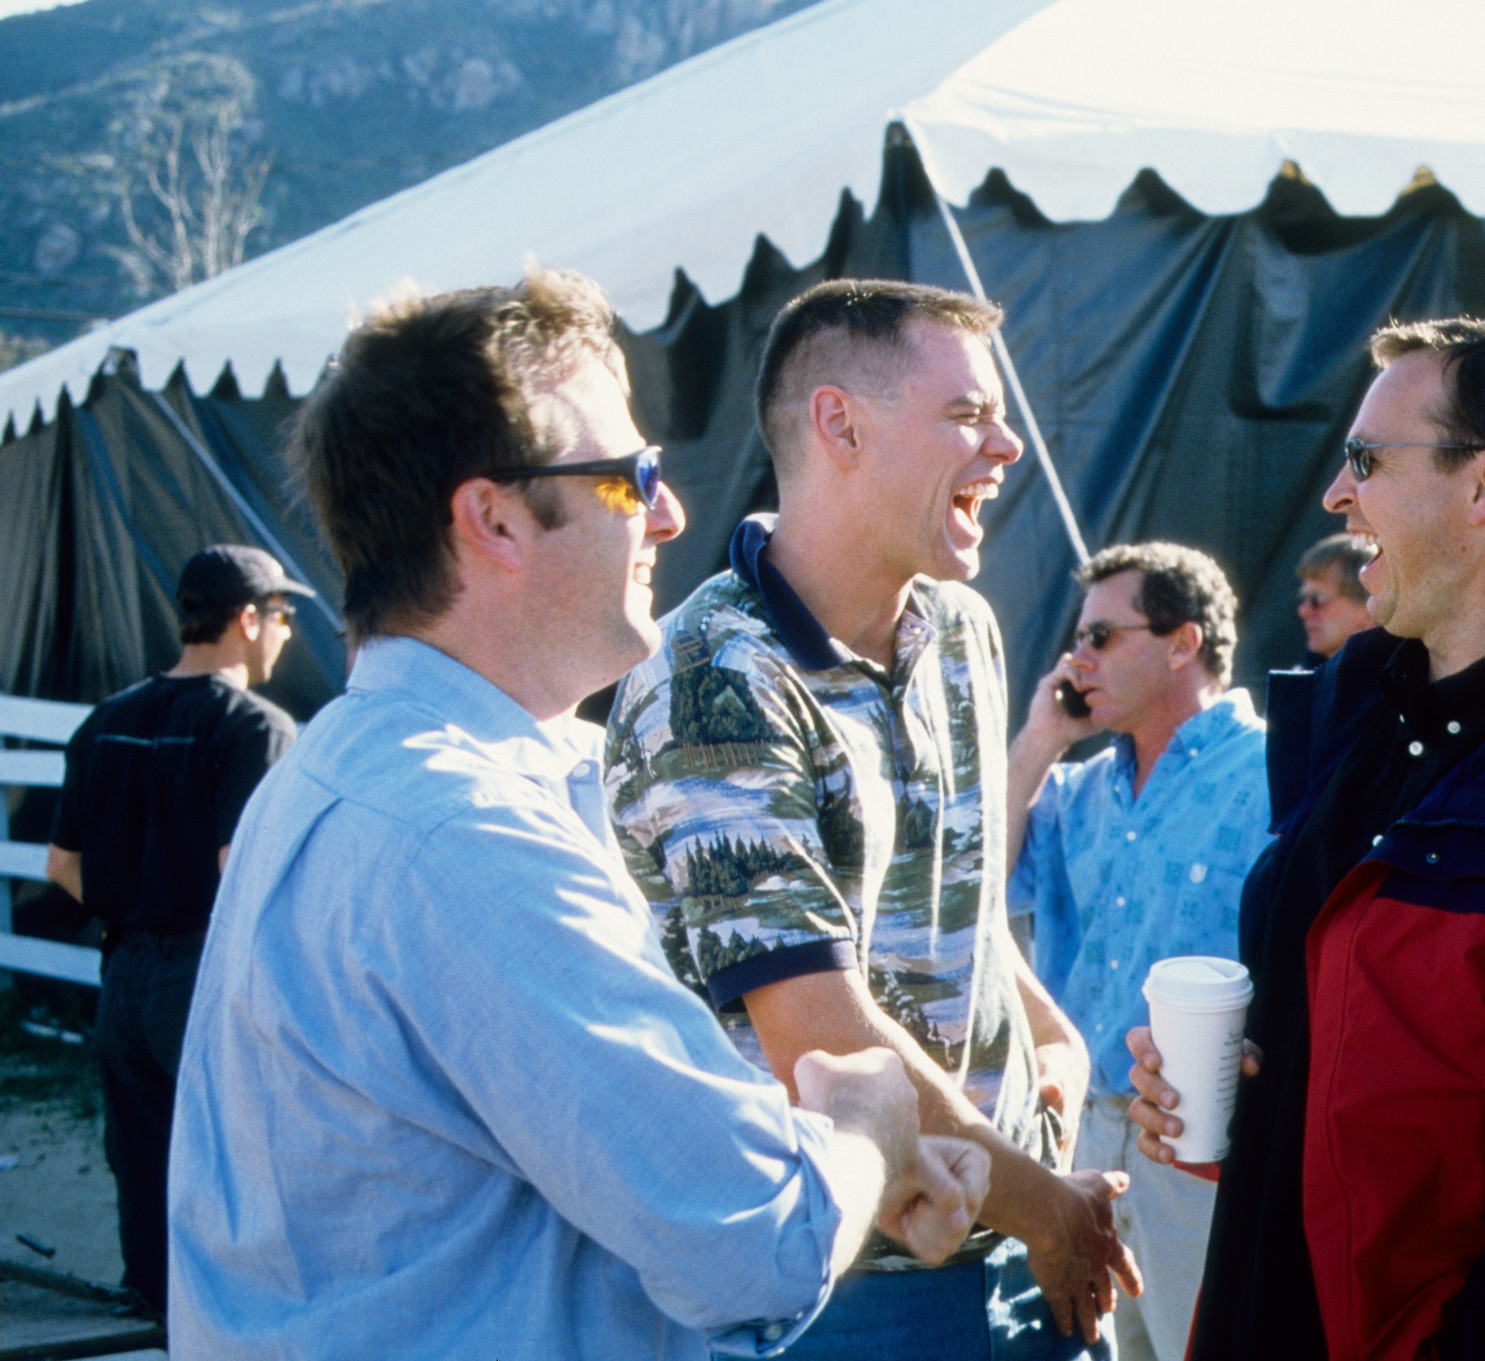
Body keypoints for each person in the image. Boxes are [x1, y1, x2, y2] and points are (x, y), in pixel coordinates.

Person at [166, 267, 988, 1360]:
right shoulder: (458, 834)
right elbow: (759, 1241)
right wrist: (866, 1130)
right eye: (630, 474)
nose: (668, 512)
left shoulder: (362, 775)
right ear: (494, 517)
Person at [608, 278, 1138, 1361]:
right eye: (965, 414)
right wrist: (1049, 1208)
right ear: (838, 424)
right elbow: (816, 1030)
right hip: (841, 1291)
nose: (1005, 445)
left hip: (1016, 1245)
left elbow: (957, 904)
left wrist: (1051, 1036)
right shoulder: (713, 672)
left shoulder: (960, 626)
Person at [1129, 317, 1485, 1361]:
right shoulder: (1350, 706)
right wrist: (1236, 1085)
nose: (1336, 493)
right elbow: (1352, 1055)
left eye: (1368, 459)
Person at [1005, 541, 1269, 1361]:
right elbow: (975, 882)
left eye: (1102, 637)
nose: (1076, 657)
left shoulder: (1271, 771)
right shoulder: (1080, 788)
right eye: (1078, 637)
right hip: (1077, 1138)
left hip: (1197, 1141)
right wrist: (1040, 736)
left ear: (1183, 643)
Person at [43, 544, 308, 1318]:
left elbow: (62, 862)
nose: (288, 633)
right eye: (284, 615)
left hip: (122, 980)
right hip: (205, 975)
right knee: (237, 1172)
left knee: (142, 1166)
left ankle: (153, 1320)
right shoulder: (254, 726)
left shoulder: (107, 720)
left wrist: (138, 901)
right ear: (247, 618)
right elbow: (241, 867)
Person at [1294, 532, 1379, 660]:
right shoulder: (1306, 675)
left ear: (1370, 606)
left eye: (1317, 599)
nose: (1304, 611)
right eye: (1303, 599)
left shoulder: (1408, 674)